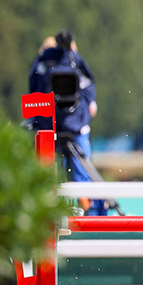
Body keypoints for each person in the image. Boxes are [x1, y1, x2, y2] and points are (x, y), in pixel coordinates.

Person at [28, 29, 106, 215]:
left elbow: (33, 94)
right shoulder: (75, 63)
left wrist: (37, 119)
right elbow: (89, 98)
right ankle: (91, 213)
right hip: (75, 128)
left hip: (50, 130)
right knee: (80, 176)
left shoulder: (44, 64)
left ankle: (49, 213)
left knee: (48, 176)